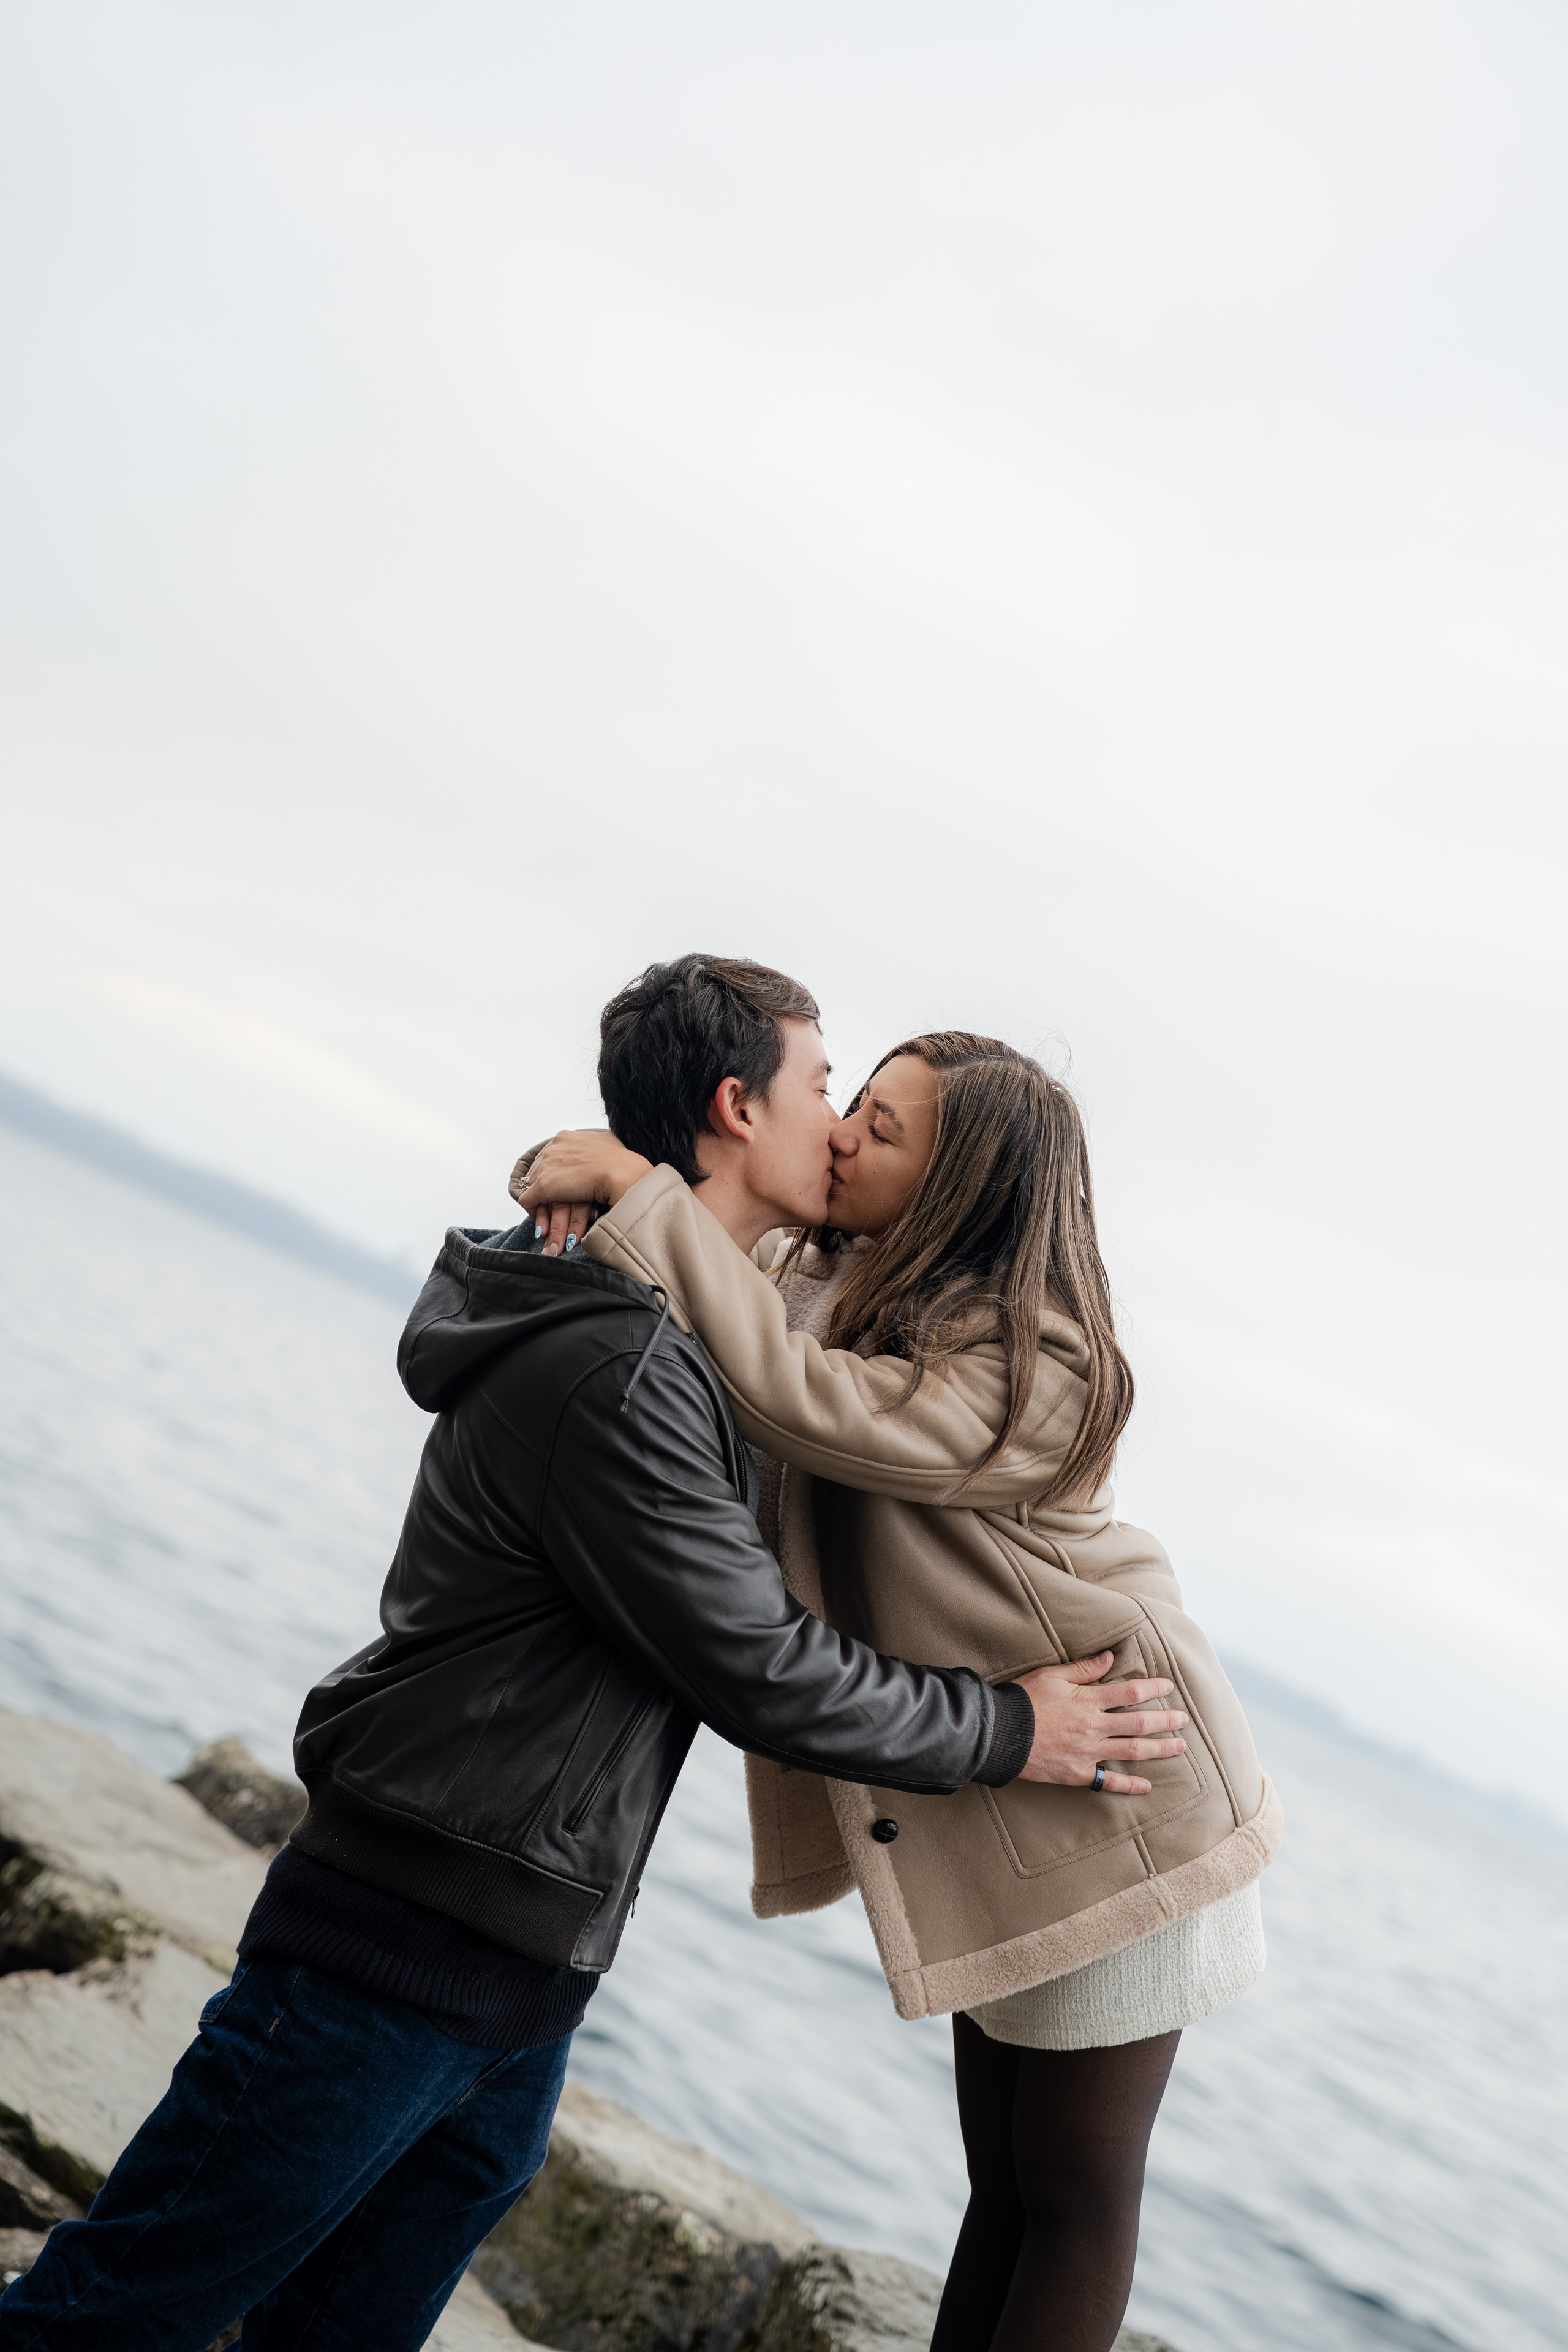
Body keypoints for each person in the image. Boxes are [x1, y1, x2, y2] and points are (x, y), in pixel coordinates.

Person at [0, 959, 1191, 2352]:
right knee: (108, 2319)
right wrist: (1011, 1730)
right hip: (407, 1942)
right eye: (827, 1091)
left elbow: (802, 1341)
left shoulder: (701, 1311)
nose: (843, 1127)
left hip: (514, 1953)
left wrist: (613, 1175)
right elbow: (754, 1662)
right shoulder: (625, 1367)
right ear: (739, 1108)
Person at [516, 1013, 1281, 2352]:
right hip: (1026, 1788)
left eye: (881, 1128)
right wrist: (586, 1169)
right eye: (851, 1103)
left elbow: (807, 1403)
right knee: (1002, 2190)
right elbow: (698, 1234)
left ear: (958, 1188)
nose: (844, 1134)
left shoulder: (1040, 1361)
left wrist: (635, 1195)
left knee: (1073, 2196)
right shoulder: (847, 1272)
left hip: (1122, 1785)